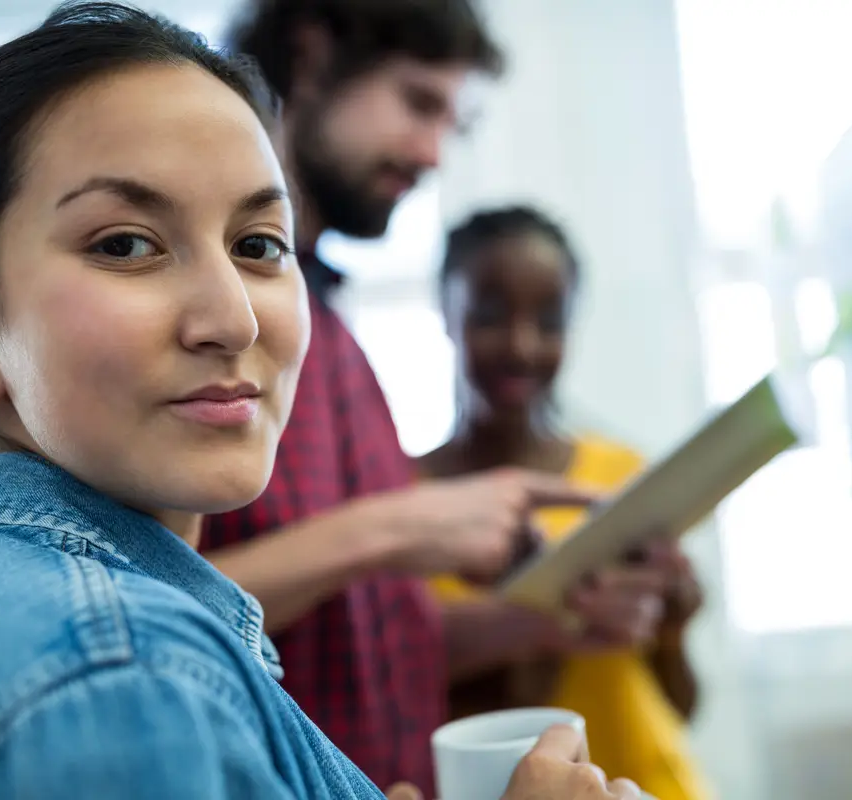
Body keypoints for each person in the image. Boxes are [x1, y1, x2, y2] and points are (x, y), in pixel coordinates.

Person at [0, 5, 644, 799]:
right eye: (126, 244)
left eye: (259, 245)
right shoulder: (110, 671)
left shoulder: (93, 640)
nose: (236, 318)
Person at [200, 1, 689, 793]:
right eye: (418, 102)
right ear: (314, 55)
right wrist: (403, 527)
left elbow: (361, 644)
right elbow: (145, 610)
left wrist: (551, 620)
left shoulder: (336, 342)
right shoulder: (216, 329)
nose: (432, 153)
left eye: (449, 122)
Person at [420, 206, 716, 800]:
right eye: (490, 315)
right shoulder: (406, 507)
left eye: (550, 321)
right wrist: (539, 619)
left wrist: (675, 626)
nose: (521, 345)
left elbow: (680, 705)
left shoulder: (619, 478)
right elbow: (427, 717)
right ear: (446, 314)